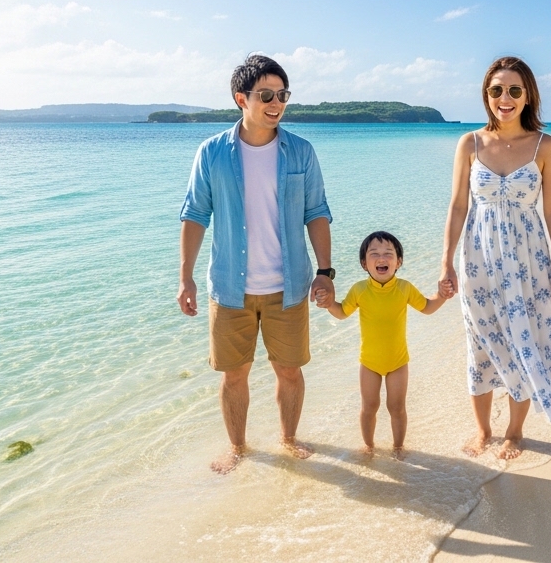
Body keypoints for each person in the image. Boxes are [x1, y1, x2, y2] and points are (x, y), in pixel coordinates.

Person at [178, 54, 336, 474]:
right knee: (233, 376)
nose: (276, 103)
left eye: (282, 94)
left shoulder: (301, 151)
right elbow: (195, 214)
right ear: (241, 99)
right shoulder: (212, 153)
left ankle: (288, 440)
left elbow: (316, 211)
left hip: (290, 287)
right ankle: (239, 448)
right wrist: (185, 278)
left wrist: (325, 272)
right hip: (230, 286)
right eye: (265, 95)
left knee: (289, 370)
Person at [439, 56, 551, 460]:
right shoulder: (469, 143)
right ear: (486, 95)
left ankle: (514, 432)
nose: (504, 98)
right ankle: (482, 430)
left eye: (513, 90)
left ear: (527, 97)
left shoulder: (545, 146)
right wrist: (445, 262)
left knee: (525, 339)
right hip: (478, 262)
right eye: (495, 90)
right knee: (482, 343)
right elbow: (457, 207)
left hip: (529, 263)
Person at [315, 231, 454, 458]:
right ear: (364, 263)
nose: (382, 258)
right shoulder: (359, 290)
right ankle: (368, 447)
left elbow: (427, 307)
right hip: (368, 363)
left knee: (396, 408)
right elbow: (341, 313)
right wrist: (330, 303)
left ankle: (398, 448)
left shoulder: (404, 288)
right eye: (374, 254)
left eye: (388, 254)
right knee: (369, 408)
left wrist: (442, 296)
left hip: (398, 362)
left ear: (398, 261)